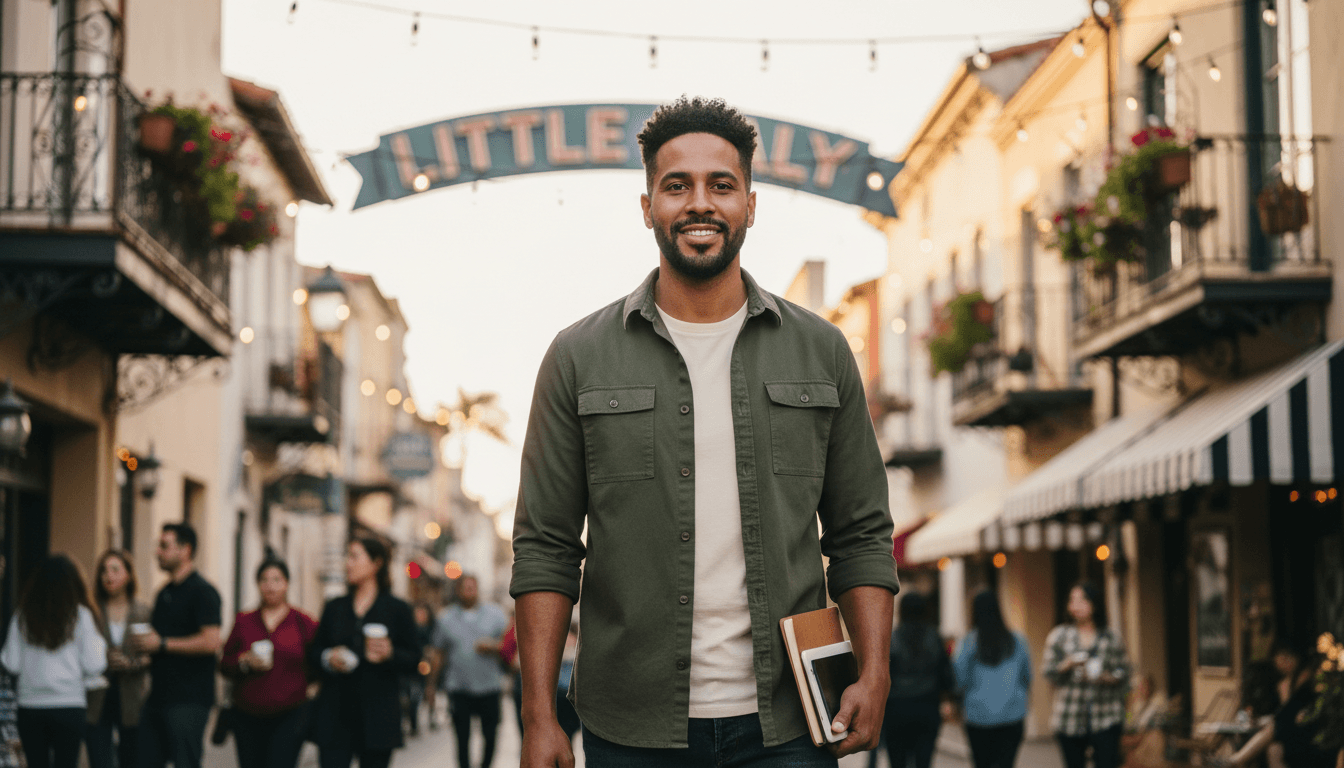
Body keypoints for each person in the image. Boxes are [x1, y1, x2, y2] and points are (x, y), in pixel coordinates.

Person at [511, 95, 900, 768]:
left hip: (789, 723)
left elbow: (860, 532)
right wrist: (540, 715)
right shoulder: (577, 357)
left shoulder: (821, 351)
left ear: (750, 204)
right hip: (629, 726)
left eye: (721, 185)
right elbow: (546, 546)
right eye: (676, 186)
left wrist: (874, 672)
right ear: (647, 207)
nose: (700, 204)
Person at [308, 537, 421, 768]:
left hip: (378, 719)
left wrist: (390, 653)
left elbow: (415, 659)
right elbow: (313, 652)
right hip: (335, 715)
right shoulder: (335, 606)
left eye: (354, 556)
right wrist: (328, 658)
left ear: (376, 563)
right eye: (347, 556)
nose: (347, 563)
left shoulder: (398, 609)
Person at [0, 555, 107, 768]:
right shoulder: (81, 616)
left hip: (30, 707)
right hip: (69, 705)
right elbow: (95, 664)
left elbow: (10, 663)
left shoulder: (22, 616)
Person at [131, 523, 222, 768]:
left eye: (164, 546)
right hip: (158, 697)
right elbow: (157, 646)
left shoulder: (203, 592)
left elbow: (211, 641)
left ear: (185, 550)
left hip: (189, 700)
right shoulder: (164, 593)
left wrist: (160, 643)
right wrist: (141, 656)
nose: (158, 552)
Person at [218, 559, 318, 768]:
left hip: (290, 714)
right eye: (264, 580)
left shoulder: (303, 622)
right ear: (257, 584)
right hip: (246, 715)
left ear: (287, 584)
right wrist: (243, 662)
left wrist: (310, 691)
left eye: (276, 580)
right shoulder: (244, 621)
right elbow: (225, 664)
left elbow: (317, 662)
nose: (270, 586)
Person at [1043, 581, 1132, 768]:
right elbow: (1049, 673)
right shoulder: (1059, 636)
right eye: (1072, 601)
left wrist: (1107, 678)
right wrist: (1067, 664)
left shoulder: (1111, 637)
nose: (1075, 606)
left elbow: (1124, 673)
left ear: (1094, 603)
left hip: (1106, 716)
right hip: (1070, 716)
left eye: (1082, 600)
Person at [1210, 642, 1338, 768]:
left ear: (1292, 657)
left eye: (1282, 659)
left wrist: (1285, 692)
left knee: (1273, 727)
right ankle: (1237, 760)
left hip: (1310, 732)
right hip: (1291, 729)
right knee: (1273, 748)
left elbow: (1290, 713)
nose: (1279, 665)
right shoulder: (1283, 681)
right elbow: (1285, 713)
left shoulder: (1306, 676)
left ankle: (1236, 760)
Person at [86, 549, 152, 768]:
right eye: (104, 570)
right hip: (97, 697)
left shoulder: (143, 611)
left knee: (131, 760)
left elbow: (153, 655)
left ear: (129, 575)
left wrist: (132, 663)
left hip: (133, 696)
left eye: (115, 569)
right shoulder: (91, 610)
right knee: (99, 760)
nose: (108, 576)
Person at [434, 575, 508, 768]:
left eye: (472, 587)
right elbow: (438, 652)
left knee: (490, 735)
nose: (469, 591)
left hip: (489, 686)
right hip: (459, 687)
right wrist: (431, 686)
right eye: (465, 587)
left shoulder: (496, 615)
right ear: (458, 590)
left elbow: (509, 646)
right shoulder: (446, 617)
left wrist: (493, 646)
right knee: (461, 737)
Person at [953, 590, 1033, 768]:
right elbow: (1027, 676)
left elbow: (959, 678)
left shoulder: (969, 642)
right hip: (1013, 714)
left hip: (978, 716)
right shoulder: (1017, 641)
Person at [884, 592, 956, 768]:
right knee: (924, 761)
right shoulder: (934, 637)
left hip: (896, 709)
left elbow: (885, 675)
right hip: (927, 707)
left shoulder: (892, 639)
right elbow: (946, 675)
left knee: (897, 762)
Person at [401, 603, 434, 737]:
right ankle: (409, 722)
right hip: (408, 669)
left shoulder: (430, 630)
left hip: (421, 669)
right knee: (407, 697)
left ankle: (415, 724)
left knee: (416, 696)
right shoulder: (407, 630)